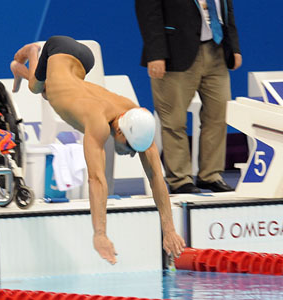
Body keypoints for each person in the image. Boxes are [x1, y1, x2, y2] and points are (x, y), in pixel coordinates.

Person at [10, 35, 185, 264]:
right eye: (131, 148)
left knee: (47, 88)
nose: (132, 154)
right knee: (37, 87)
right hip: (57, 49)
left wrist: (169, 229)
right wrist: (100, 234)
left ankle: (26, 67)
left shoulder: (135, 114)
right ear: (120, 133)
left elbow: (156, 177)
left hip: (85, 59)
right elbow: (96, 179)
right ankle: (32, 52)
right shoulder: (97, 121)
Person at [135, 0, 242, 194]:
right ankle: (179, 179)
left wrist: (234, 47)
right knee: (174, 120)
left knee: (219, 115)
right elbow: (148, 14)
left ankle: (210, 175)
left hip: (216, 50)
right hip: (174, 53)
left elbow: (226, 10)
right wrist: (156, 54)